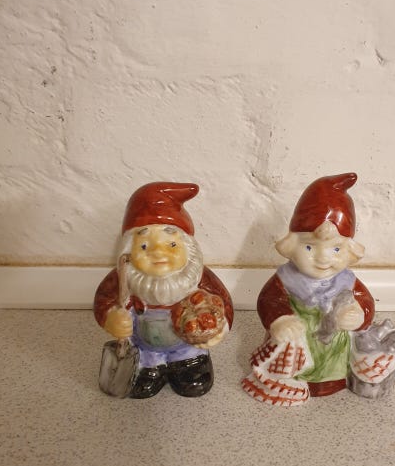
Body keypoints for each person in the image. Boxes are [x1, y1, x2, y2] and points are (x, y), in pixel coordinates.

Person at [243, 173, 374, 404]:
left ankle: (335, 380)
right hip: (296, 347)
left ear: (350, 249)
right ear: (291, 246)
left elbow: (365, 302)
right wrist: (280, 320)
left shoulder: (347, 282)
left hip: (336, 352)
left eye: (336, 249)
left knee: (335, 364)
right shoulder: (285, 280)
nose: (323, 258)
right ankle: (291, 381)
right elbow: (269, 301)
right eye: (309, 247)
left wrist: (358, 314)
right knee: (290, 362)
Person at [94, 182, 233, 398]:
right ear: (128, 251)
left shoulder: (199, 278)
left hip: (188, 348)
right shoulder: (122, 278)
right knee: (142, 383)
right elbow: (104, 299)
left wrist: (218, 329)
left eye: (172, 245)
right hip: (144, 351)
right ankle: (151, 367)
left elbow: (223, 303)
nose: (158, 254)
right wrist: (111, 318)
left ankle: (188, 364)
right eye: (144, 246)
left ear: (188, 248)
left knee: (192, 379)